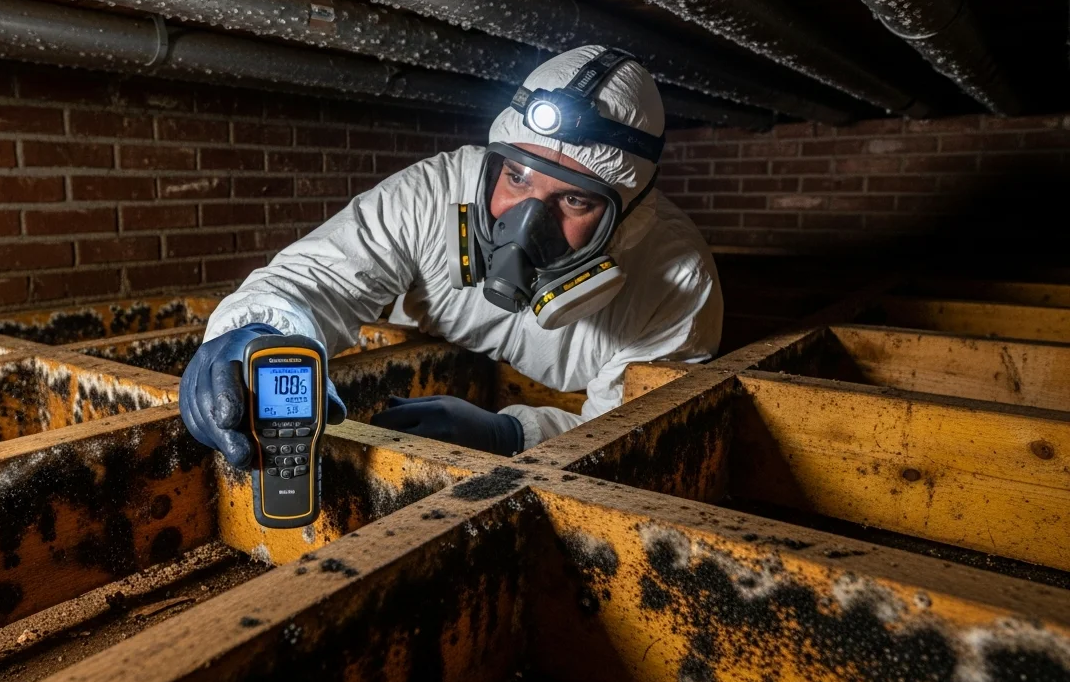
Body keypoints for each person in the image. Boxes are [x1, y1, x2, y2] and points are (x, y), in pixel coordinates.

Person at [180, 45, 722, 465]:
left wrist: (512, 434)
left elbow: (631, 436)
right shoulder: (436, 192)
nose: (526, 221)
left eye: (575, 199)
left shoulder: (676, 279)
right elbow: (317, 278)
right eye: (516, 176)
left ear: (626, 220)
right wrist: (256, 333)